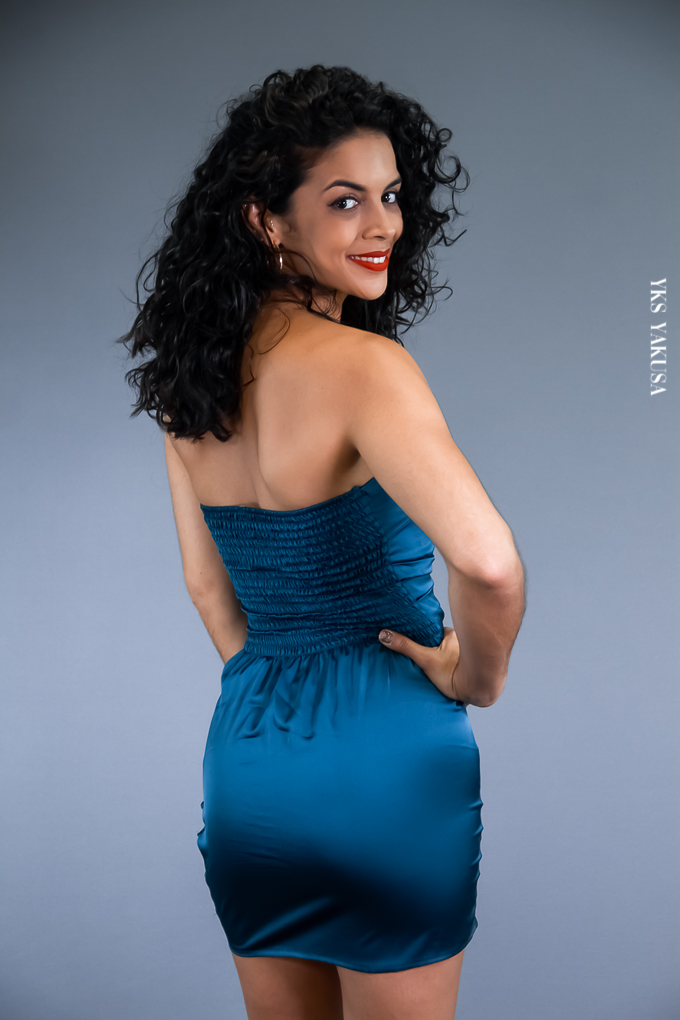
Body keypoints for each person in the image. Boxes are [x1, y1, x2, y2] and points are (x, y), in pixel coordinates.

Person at [120, 64, 525, 1020]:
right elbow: (488, 562)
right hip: (388, 760)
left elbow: (208, 591)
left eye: (391, 196)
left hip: (252, 763)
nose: (383, 225)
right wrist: (474, 677)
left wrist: (277, 691)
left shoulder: (187, 386)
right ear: (267, 221)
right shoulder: (366, 368)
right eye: (346, 202)